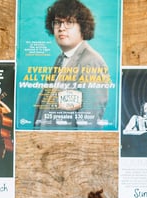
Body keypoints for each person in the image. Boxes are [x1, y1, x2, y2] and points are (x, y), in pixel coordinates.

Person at [34, 0, 110, 129]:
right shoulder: (61, 58)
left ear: (83, 27)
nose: (61, 28)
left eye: (69, 22)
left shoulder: (91, 62)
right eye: (57, 22)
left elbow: (89, 124)